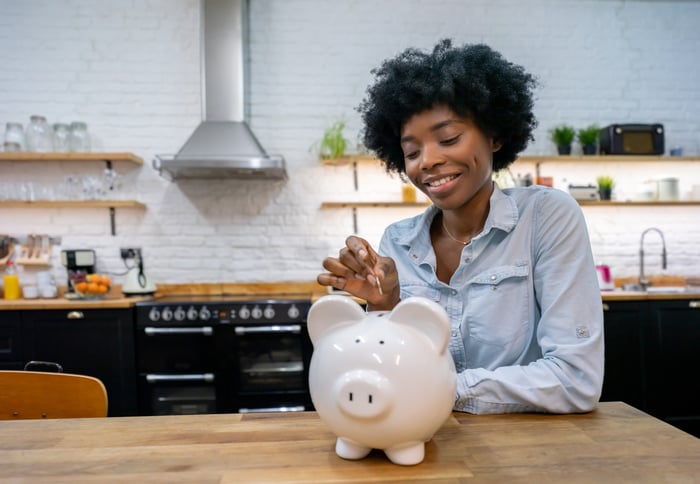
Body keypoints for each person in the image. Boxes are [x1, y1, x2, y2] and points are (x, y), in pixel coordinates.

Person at [317, 39, 604, 414]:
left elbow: (575, 380)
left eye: (448, 139)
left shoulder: (546, 217)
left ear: (495, 135)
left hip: (529, 453)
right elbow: (388, 374)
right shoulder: (398, 243)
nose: (429, 161)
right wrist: (384, 305)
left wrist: (444, 389)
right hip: (424, 445)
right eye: (412, 152)